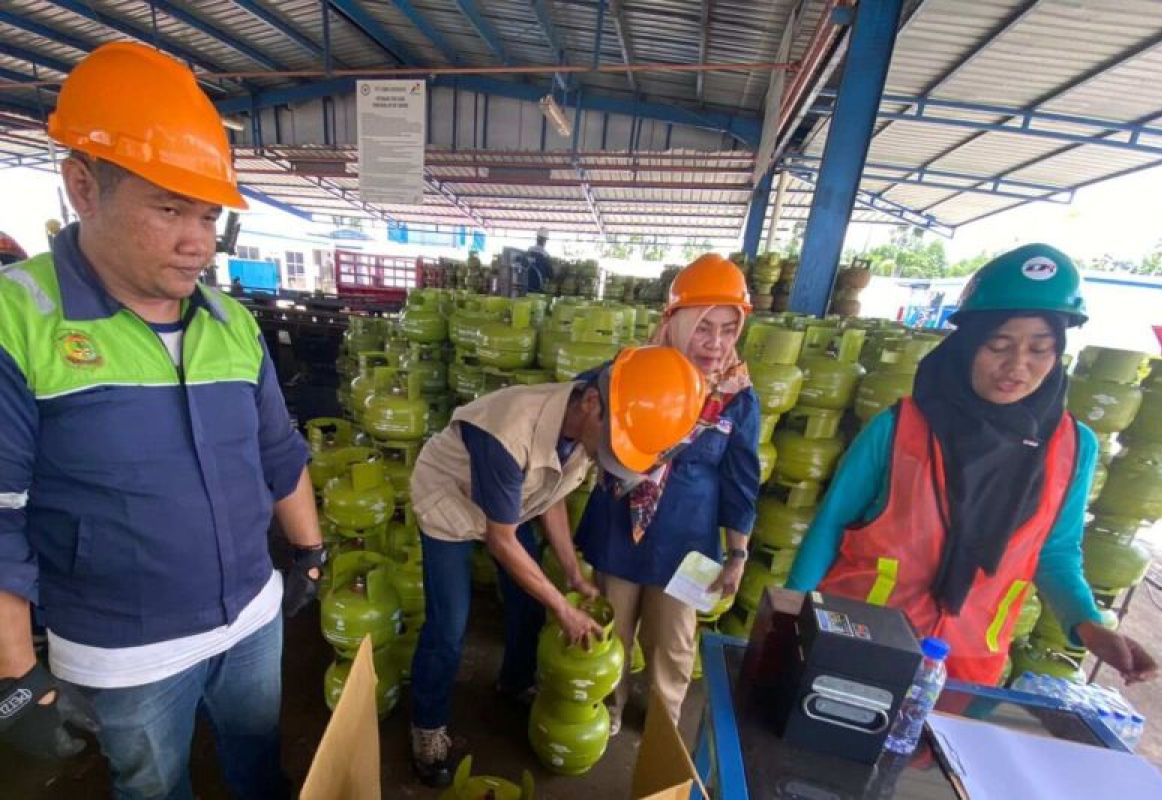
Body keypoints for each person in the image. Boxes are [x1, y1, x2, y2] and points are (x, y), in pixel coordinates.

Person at [0, 42, 326, 798]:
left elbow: (278, 451)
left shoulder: (229, 323)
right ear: (84, 188)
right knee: (153, 783)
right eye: (169, 208)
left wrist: (306, 549)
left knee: (255, 752)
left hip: (250, 615)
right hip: (125, 650)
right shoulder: (21, 322)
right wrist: (15, 672)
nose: (198, 242)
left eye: (209, 215)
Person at [785, 244, 1157, 686]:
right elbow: (830, 525)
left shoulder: (1073, 448)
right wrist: (787, 618)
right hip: (860, 642)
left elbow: (1055, 552)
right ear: (966, 346)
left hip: (965, 666)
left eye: (1040, 349)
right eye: (998, 345)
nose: (1016, 366)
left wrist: (1088, 625)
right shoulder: (900, 427)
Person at [407, 346, 707, 786]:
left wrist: (571, 575)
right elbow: (502, 540)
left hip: (511, 505)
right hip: (450, 503)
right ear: (591, 403)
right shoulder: (509, 432)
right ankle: (427, 728)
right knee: (449, 626)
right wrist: (564, 609)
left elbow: (552, 495)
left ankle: (513, 684)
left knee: (529, 606)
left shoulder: (591, 427)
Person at [575, 253, 762, 733]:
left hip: (688, 541)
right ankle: (607, 707)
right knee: (612, 627)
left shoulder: (738, 397)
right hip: (620, 528)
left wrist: (738, 553)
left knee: (674, 641)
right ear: (674, 321)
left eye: (727, 328)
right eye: (703, 326)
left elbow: (741, 480)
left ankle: (662, 720)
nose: (715, 343)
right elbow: (577, 405)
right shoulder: (630, 369)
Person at [525, 226, 552, 293]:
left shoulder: (529, 251)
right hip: (538, 288)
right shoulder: (546, 255)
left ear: (537, 238)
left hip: (525, 285)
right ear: (545, 241)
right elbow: (550, 274)